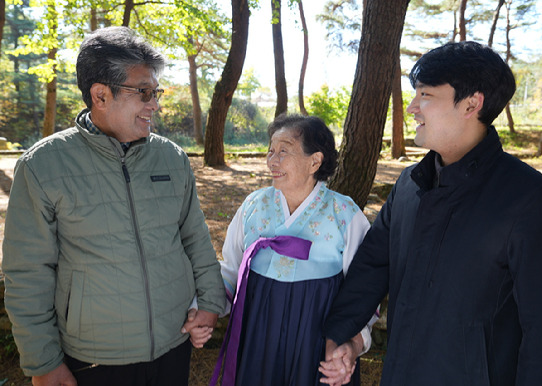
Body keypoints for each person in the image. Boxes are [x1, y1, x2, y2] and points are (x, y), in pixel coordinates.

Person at [321, 41, 542, 386]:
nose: (412, 107)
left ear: (472, 104)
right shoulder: (410, 186)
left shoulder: (532, 200)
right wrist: (341, 334)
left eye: (425, 95)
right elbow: (371, 267)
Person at [2, 26, 225, 386]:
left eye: (157, 91)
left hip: (174, 345)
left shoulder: (172, 158)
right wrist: (42, 363)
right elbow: (28, 273)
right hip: (93, 361)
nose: (156, 103)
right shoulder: (42, 166)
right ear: (100, 95)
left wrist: (212, 303)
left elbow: (196, 238)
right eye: (144, 92)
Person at [199, 114, 376, 385]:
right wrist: (207, 310)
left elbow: (365, 289)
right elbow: (231, 270)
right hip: (259, 331)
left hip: (316, 338)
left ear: (314, 161)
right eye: (271, 151)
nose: (273, 160)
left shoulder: (344, 214)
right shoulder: (254, 206)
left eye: (284, 151)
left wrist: (352, 343)